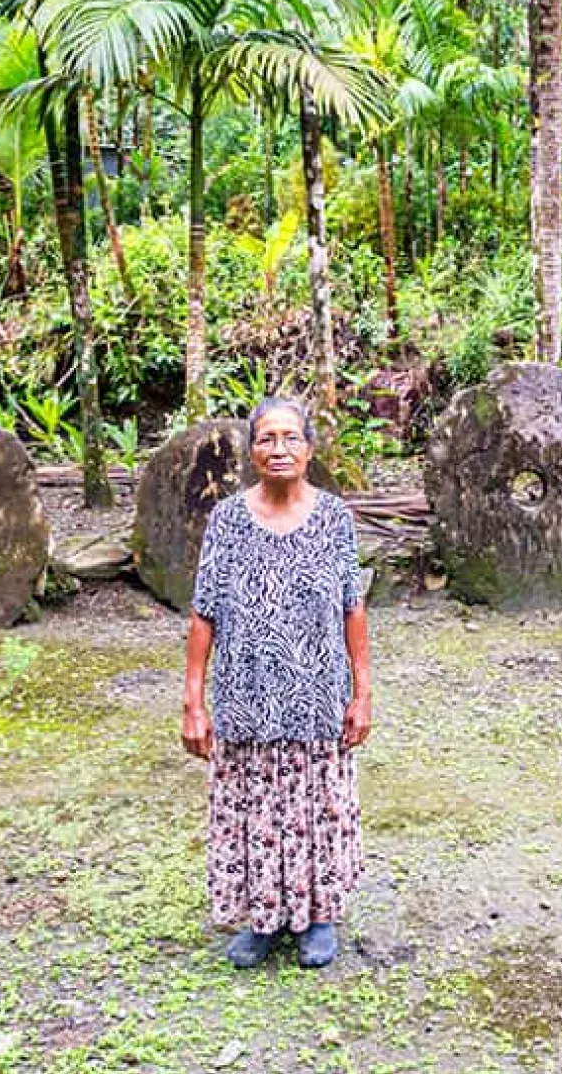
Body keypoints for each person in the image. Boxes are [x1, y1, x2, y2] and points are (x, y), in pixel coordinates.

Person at [182, 396, 372, 969]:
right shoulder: (228, 521)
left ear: (309, 449)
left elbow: (352, 607)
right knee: (256, 809)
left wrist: (362, 692)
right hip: (247, 698)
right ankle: (261, 920)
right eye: (267, 438)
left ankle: (318, 918)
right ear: (252, 450)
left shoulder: (335, 516)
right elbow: (204, 611)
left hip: (317, 698)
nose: (279, 448)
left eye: (291, 437)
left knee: (319, 806)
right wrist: (193, 701)